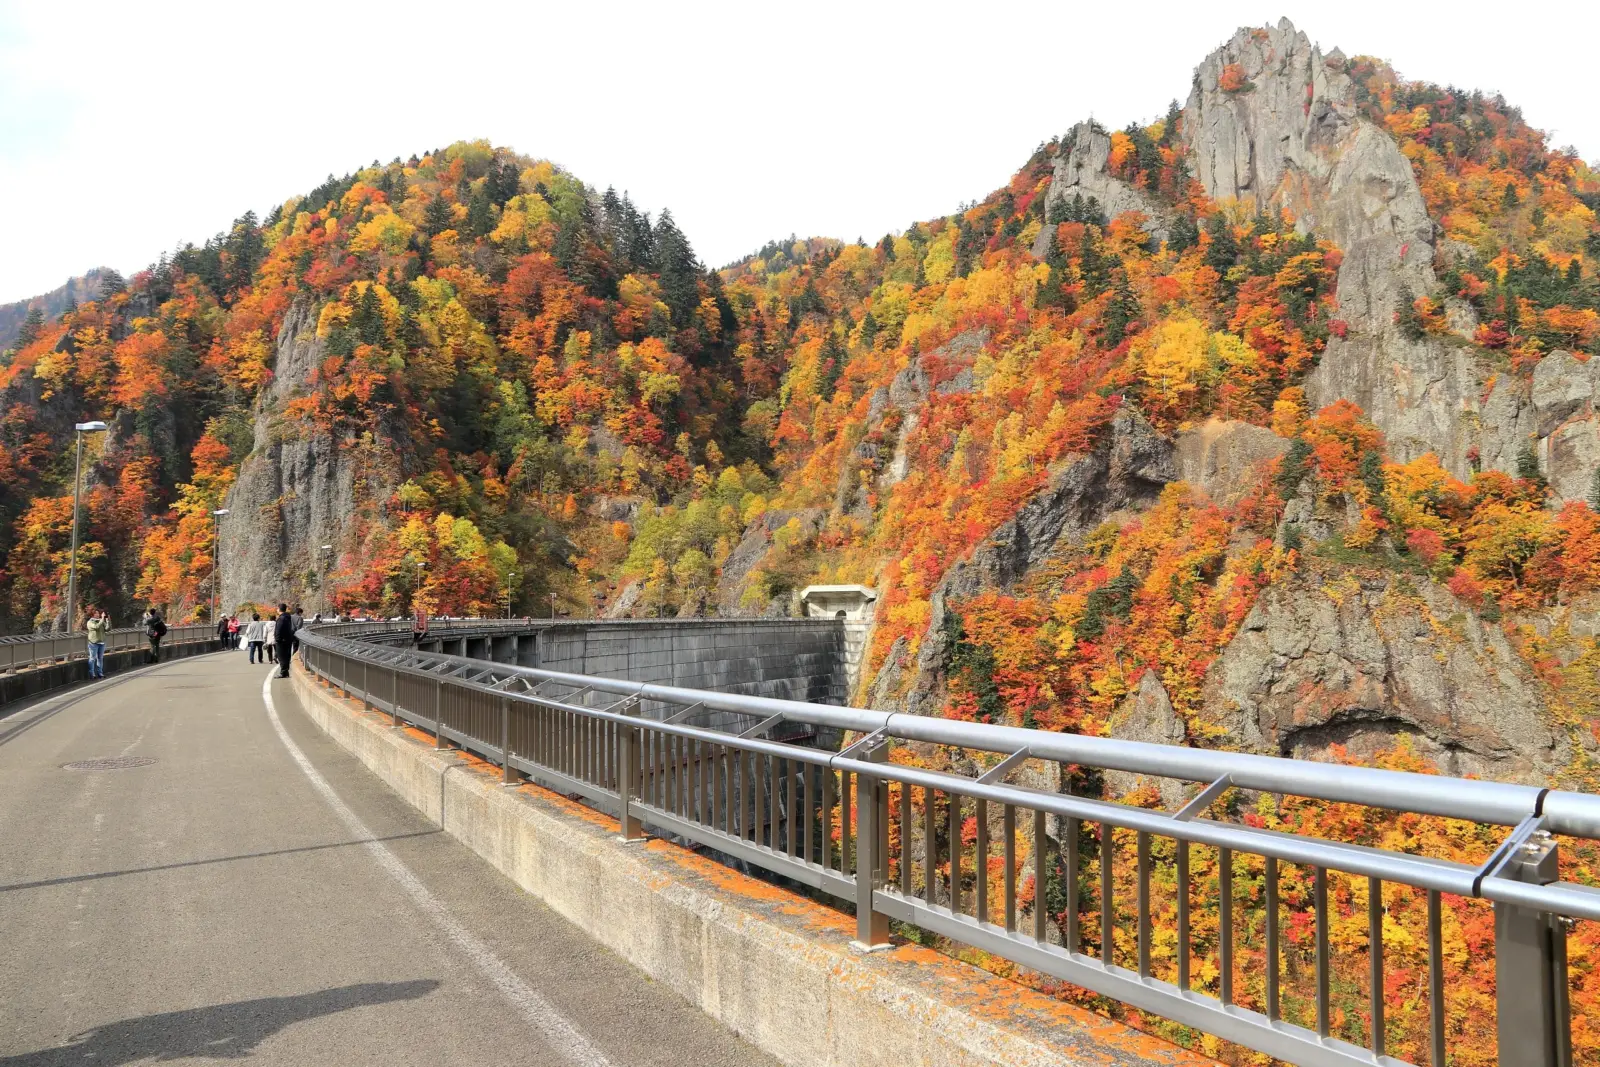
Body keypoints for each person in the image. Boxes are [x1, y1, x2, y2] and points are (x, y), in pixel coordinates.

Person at [85, 607, 109, 679]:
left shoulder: (101, 621)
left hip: (102, 642)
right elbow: (96, 627)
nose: (98, 614)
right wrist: (102, 619)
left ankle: (100, 673)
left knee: (100, 658)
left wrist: (107, 620)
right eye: (96, 613)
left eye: (98, 613)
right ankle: (92, 674)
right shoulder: (90, 622)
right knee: (92, 658)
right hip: (93, 643)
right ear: (92, 615)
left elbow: (107, 629)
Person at [274, 603, 296, 678]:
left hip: (281, 640)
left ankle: (283, 672)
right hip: (288, 639)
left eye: (277, 608)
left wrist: (277, 639)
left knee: (281, 656)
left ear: (279, 609)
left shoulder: (281, 618)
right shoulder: (288, 617)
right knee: (286, 656)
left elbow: (278, 630)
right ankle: (285, 671)